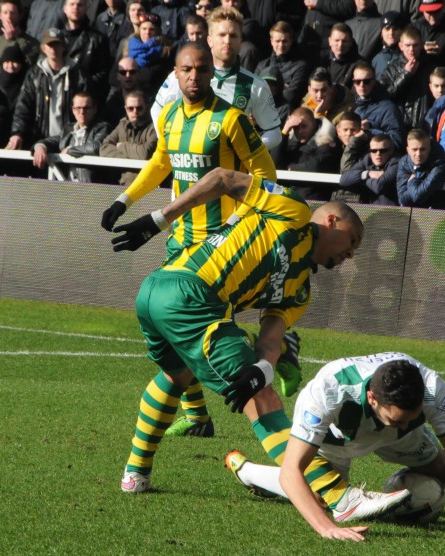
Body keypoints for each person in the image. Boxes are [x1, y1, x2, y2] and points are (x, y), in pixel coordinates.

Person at [112, 165, 415, 540]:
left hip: (158, 293)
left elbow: (271, 341)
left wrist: (263, 370)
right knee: (263, 400)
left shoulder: (300, 289)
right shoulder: (293, 209)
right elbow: (223, 178)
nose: (350, 256)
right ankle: (339, 495)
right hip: (191, 293)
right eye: (351, 242)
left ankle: (135, 474)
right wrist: (159, 219)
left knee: (178, 376)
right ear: (333, 220)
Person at [101, 43, 296, 438]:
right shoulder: (170, 116)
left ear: (211, 73)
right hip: (180, 238)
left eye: (202, 69)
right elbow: (161, 163)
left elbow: (265, 175)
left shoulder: (231, 120)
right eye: (187, 70)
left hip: (221, 242)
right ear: (175, 73)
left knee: (200, 329)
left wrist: (240, 220)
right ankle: (199, 418)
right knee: (174, 327)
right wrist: (124, 200)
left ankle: (280, 349)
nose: (194, 77)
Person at [223, 352, 445, 546]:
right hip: (337, 439)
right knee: (315, 497)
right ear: (372, 399)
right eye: (397, 419)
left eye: (412, 418)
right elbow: (292, 472)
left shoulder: (431, 390)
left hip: (398, 442)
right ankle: (247, 471)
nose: (404, 423)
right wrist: (327, 529)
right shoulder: (327, 391)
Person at [149, 6, 282, 150]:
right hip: (189, 167)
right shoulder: (185, 74)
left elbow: (274, 132)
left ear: (240, 41)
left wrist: (247, 150)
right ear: (210, 40)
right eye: (221, 35)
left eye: (233, 36)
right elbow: (157, 108)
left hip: (229, 171)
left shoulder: (255, 85)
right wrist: (169, 142)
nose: (227, 41)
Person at [6, 28, 87, 151]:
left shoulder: (78, 74)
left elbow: (87, 108)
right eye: (49, 45)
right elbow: (23, 107)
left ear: (64, 47)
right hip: (39, 140)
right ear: (43, 48)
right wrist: (17, 133)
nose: (53, 48)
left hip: (70, 142)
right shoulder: (34, 74)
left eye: (57, 44)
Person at [32, 91, 112, 181]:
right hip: (68, 187)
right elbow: (51, 141)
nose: (82, 112)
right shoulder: (68, 129)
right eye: (78, 108)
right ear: (73, 110)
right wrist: (40, 147)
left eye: (86, 108)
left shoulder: (102, 127)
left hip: (92, 188)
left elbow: (96, 147)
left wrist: (70, 150)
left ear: (94, 109)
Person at [378, 25, 436, 131]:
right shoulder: (391, 69)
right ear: (401, 46)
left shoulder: (431, 69)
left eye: (415, 45)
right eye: (408, 45)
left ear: (421, 45)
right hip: (400, 126)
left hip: (425, 126)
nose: (411, 49)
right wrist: (406, 74)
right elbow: (384, 97)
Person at [277, 106, 341, 198]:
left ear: (314, 124)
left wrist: (291, 167)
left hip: (315, 200)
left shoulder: (327, 142)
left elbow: (316, 166)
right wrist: (285, 131)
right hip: (288, 198)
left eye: (304, 126)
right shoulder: (290, 143)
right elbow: (275, 163)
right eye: (295, 128)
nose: (300, 131)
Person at [99, 89, 158, 187]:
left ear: (147, 107)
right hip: (124, 186)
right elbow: (104, 148)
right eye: (131, 108)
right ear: (126, 109)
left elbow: (144, 153)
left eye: (139, 108)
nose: (135, 112)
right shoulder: (122, 125)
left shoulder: (155, 127)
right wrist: (126, 159)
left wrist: (121, 146)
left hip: (149, 187)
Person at [254, 21, 310, 108]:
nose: (281, 45)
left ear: (291, 41)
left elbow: (291, 96)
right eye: (277, 41)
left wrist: (267, 90)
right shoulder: (262, 65)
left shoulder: (300, 67)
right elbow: (254, 91)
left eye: (285, 41)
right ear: (271, 41)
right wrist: (282, 88)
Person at [351, 61, 405, 150]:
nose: (362, 85)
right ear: (353, 83)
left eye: (366, 81)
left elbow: (397, 141)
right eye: (357, 81)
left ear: (374, 82)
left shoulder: (388, 108)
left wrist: (369, 132)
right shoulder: (354, 108)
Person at [396, 128, 445, 209]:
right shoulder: (404, 163)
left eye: (422, 149)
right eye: (414, 150)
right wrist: (418, 187)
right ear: (408, 150)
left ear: (429, 148)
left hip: (442, 213)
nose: (418, 154)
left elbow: (418, 196)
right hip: (417, 214)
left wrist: (412, 181)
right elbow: (402, 199)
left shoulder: (439, 163)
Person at [337, 133, 400, 205]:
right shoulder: (367, 159)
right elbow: (343, 179)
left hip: (392, 211)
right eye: (373, 150)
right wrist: (368, 174)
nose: (378, 154)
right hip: (370, 209)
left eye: (382, 150)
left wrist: (362, 179)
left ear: (391, 150)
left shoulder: (397, 162)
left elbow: (379, 186)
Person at [0, 0, 41, 77]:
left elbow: (29, 66)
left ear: (20, 15)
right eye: (5, 13)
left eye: (12, 13)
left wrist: (12, 40)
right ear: (0, 15)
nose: (9, 17)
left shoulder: (32, 43)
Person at [413, 0, 445, 69]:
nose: (432, 16)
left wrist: (443, 52)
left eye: (436, 12)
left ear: (443, 8)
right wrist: (421, 49)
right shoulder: (415, 27)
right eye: (429, 12)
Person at [322, 22, 363, 87]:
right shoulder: (322, 62)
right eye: (337, 40)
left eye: (344, 41)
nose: (340, 45)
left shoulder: (359, 65)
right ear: (330, 41)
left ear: (351, 42)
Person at [371, 10, 403, 80]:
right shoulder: (376, 60)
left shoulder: (406, 57)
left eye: (395, 29)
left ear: (402, 31)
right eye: (387, 29)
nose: (391, 33)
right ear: (381, 32)